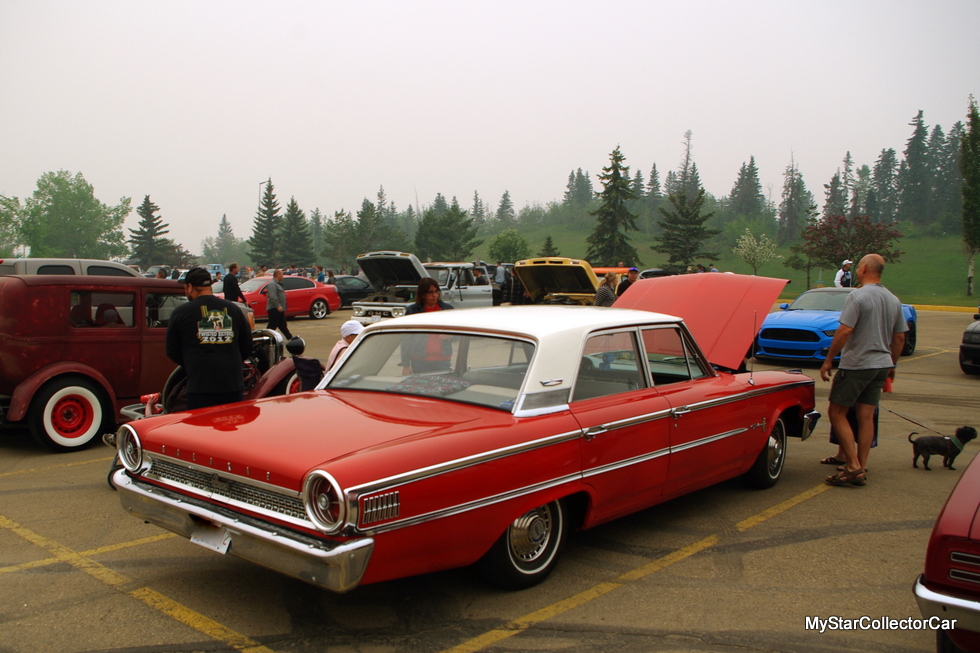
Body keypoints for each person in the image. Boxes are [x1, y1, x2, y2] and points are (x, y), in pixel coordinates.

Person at [820, 254, 907, 487]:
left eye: (858, 267)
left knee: (837, 412)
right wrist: (892, 365)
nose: (857, 270)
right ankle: (861, 464)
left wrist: (829, 360)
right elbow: (899, 337)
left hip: (857, 364)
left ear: (865, 268)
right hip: (881, 365)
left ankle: (852, 467)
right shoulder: (893, 299)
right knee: (866, 416)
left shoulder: (857, 295)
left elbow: (845, 331)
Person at [165, 267, 251, 410]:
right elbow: (247, 346)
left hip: (200, 385)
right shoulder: (234, 309)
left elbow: (172, 350)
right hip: (231, 384)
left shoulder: (181, 313)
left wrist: (192, 362)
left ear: (190, 287)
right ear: (209, 286)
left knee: (202, 429)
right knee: (231, 426)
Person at [401, 278, 454, 374]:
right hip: (419, 361)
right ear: (422, 295)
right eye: (430, 292)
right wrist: (405, 365)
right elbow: (406, 339)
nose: (434, 295)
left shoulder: (447, 309)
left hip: (443, 360)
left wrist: (450, 335)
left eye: (436, 292)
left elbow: (459, 336)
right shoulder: (413, 311)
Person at [266, 268, 293, 340]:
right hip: (274, 309)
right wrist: (278, 306)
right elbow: (272, 296)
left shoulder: (278, 284)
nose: (283, 276)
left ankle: (290, 337)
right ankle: (264, 339)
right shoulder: (272, 284)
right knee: (272, 326)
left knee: (282, 325)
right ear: (278, 275)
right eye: (282, 274)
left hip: (279, 308)